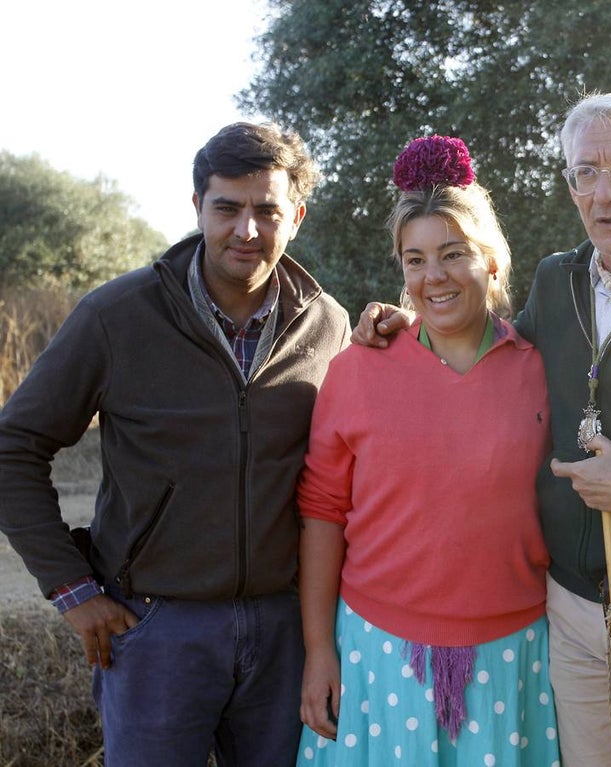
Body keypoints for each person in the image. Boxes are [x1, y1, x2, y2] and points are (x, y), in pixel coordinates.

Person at [355, 93, 611, 767]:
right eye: (586, 172)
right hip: (576, 611)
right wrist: (412, 323)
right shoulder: (559, 279)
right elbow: (498, 353)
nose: (604, 192)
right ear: (570, 185)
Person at [0, 122, 351, 765]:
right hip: (154, 629)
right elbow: (13, 448)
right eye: (228, 208)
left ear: (295, 216)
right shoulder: (116, 316)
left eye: (267, 210)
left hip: (286, 630)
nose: (246, 230)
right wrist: (73, 590)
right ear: (197, 208)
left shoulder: (329, 324)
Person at [294, 136, 559, 766]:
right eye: (414, 260)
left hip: (517, 648)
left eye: (453, 254)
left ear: (492, 260)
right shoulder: (361, 366)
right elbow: (322, 511)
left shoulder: (542, 367)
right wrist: (319, 652)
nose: (432, 276)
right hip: (375, 649)